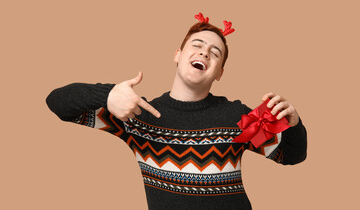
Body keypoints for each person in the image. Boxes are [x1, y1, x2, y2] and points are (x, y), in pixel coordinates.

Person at [46, 13, 307, 210]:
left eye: (215, 52)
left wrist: (293, 124)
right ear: (178, 55)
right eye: (197, 44)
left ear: (219, 73)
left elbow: (289, 156)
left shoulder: (237, 117)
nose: (204, 51)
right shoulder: (138, 116)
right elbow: (57, 104)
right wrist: (107, 94)